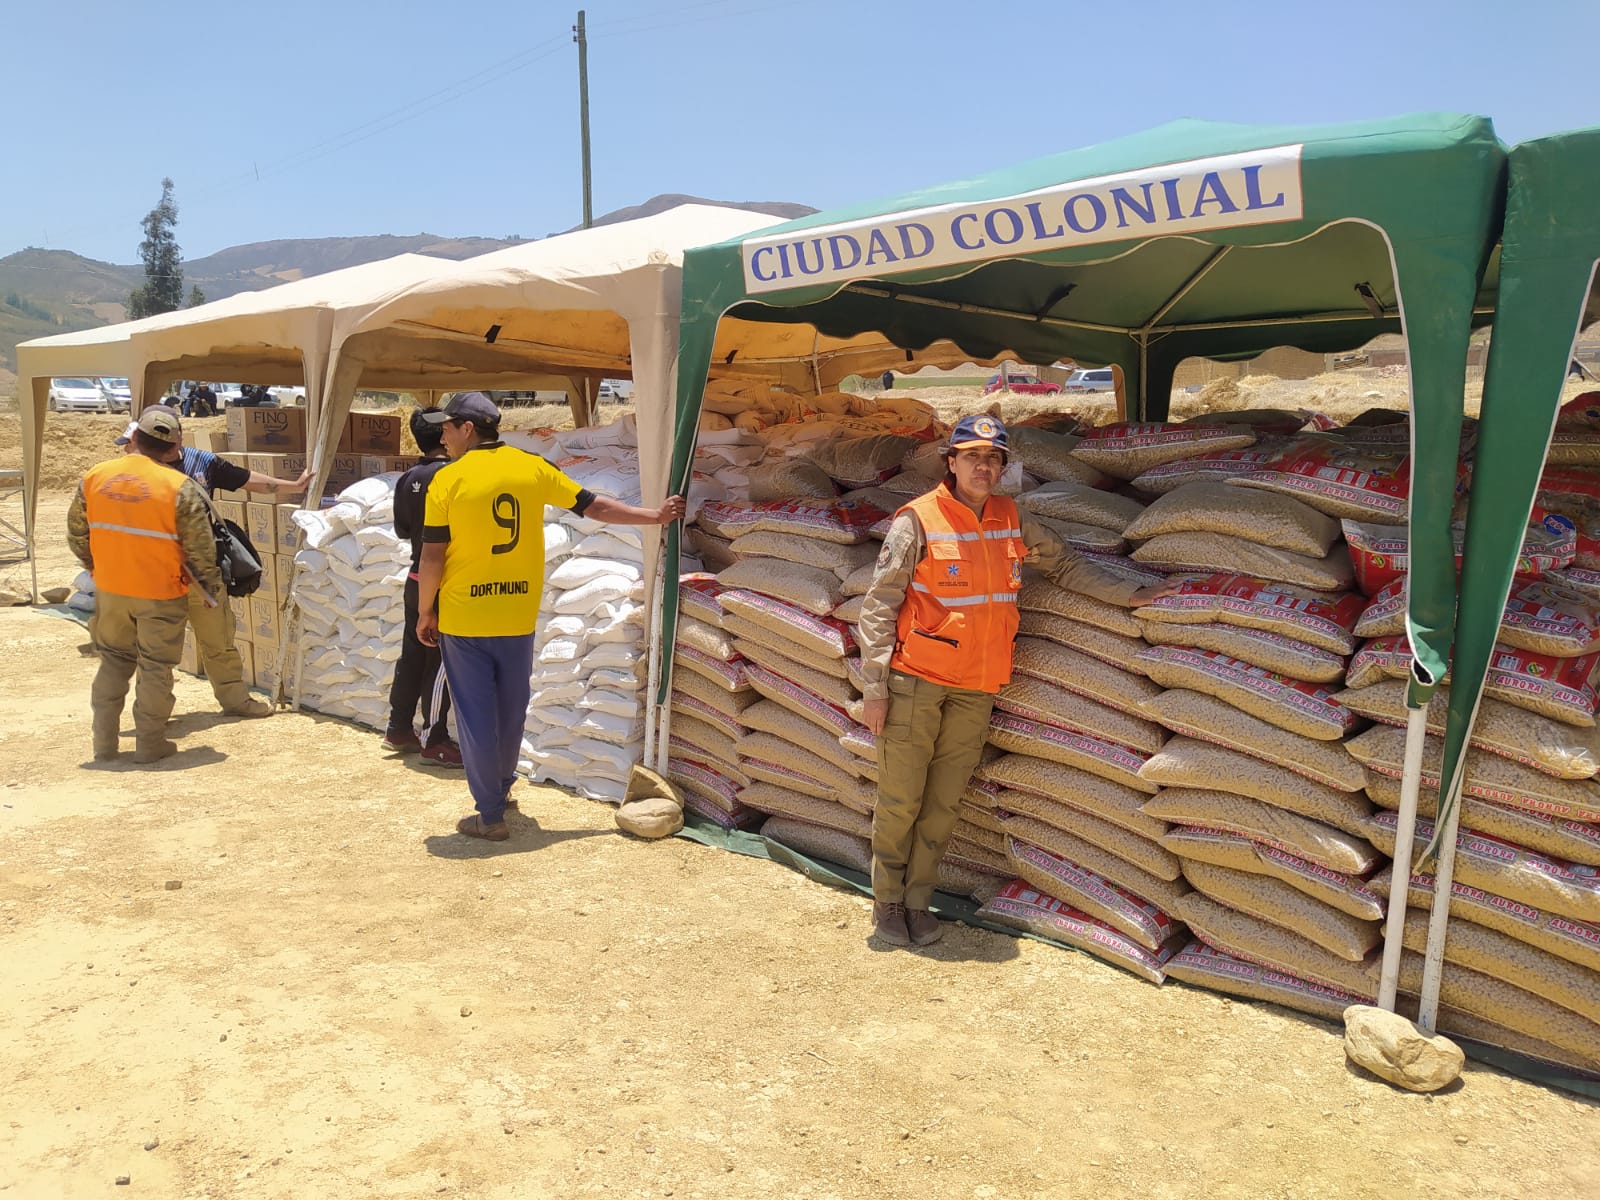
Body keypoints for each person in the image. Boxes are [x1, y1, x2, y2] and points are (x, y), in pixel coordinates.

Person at [856, 415, 1180, 948]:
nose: (983, 467)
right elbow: (879, 606)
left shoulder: (1012, 518)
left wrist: (1129, 594)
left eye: (993, 459)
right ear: (951, 462)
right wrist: (875, 686)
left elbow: (1066, 568)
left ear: (1003, 468)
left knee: (945, 800)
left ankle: (919, 901)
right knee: (902, 799)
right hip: (918, 680)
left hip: (978, 686)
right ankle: (888, 901)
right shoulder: (917, 521)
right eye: (972, 457)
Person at [415, 392, 685, 842]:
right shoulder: (532, 467)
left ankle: (489, 814)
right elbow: (593, 506)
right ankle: (501, 790)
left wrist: (426, 610)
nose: (442, 433)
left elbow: (432, 556)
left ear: (467, 429)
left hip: (465, 617)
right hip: (518, 613)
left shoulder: (449, 479)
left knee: (477, 717)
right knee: (512, 709)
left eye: (447, 426)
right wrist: (654, 516)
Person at [114, 412, 312, 718]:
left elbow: (245, 479)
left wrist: (294, 486)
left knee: (219, 641)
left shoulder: (202, 462)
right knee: (157, 651)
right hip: (155, 576)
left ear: (180, 437)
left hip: (201, 572)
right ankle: (152, 714)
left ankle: (236, 701)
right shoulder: (135, 471)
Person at [68, 406, 223, 763]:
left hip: (111, 590)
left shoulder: (94, 477)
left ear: (134, 438)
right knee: (155, 667)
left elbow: (78, 534)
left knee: (113, 661)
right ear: (174, 448)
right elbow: (201, 549)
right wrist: (209, 589)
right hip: (160, 593)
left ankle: (104, 745)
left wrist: (97, 567)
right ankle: (149, 743)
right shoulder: (179, 487)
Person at [383, 407, 460, 766]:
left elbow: (401, 529)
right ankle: (435, 737)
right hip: (446, 580)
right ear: (445, 435)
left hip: (415, 577)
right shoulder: (456, 476)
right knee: (440, 660)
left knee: (413, 653)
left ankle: (398, 728)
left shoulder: (407, 478)